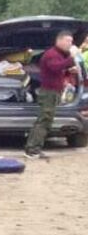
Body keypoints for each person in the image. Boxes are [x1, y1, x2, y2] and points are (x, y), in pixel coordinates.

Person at [26, 30, 78, 158]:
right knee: (44, 120)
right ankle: (32, 150)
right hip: (48, 92)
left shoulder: (60, 55)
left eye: (71, 41)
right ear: (59, 40)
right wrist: (71, 58)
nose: (70, 44)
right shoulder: (51, 54)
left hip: (54, 92)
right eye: (68, 41)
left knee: (46, 120)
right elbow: (55, 67)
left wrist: (69, 70)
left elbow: (57, 71)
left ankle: (34, 148)